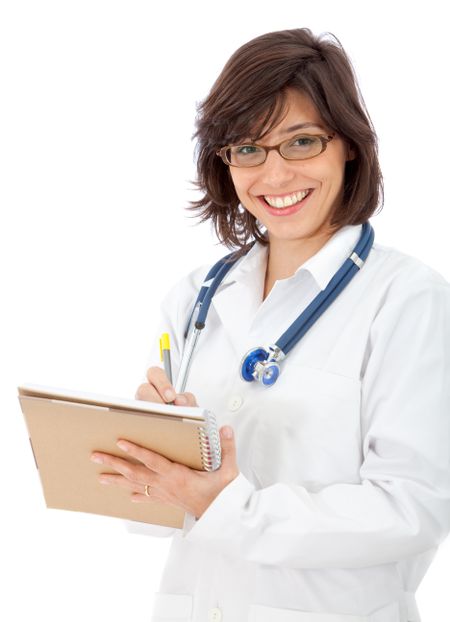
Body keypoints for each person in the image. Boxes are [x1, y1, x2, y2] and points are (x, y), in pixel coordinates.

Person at [91, 28, 450, 622]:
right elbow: (160, 519)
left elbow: (414, 508)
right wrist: (151, 454)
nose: (274, 176)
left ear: (350, 146)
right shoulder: (195, 298)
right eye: (248, 149)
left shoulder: (409, 300)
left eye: (301, 142)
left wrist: (235, 508)